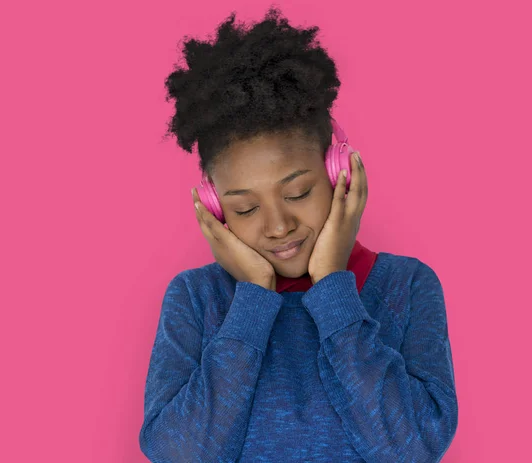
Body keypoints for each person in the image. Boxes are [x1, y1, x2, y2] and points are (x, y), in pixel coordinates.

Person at [139, 7, 458, 462]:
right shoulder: (196, 298)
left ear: (339, 172)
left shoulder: (407, 286)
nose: (277, 226)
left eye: (298, 192)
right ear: (214, 207)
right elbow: (181, 454)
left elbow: (410, 449)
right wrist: (252, 296)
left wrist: (331, 285)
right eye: (245, 208)